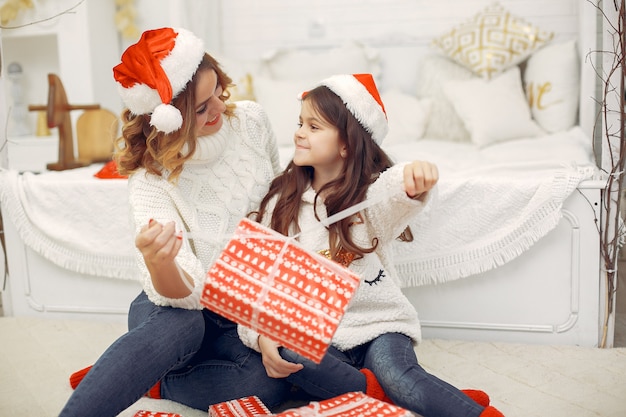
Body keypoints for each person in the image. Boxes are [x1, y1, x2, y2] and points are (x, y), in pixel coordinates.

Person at [238, 73, 506, 417]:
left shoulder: (370, 200)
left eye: (314, 127)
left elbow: (395, 192)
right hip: (322, 336)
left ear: (347, 143)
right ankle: (403, 393)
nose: (299, 133)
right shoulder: (280, 203)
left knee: (398, 375)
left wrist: (413, 175)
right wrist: (261, 335)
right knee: (289, 353)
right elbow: (253, 285)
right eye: (300, 123)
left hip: (378, 326)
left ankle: (418, 395)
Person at [59, 27, 293, 416]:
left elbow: (281, 209)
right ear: (168, 117)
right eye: (201, 108)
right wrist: (161, 262)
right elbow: (186, 294)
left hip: (239, 312)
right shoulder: (151, 181)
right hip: (173, 304)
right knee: (185, 325)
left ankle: (150, 376)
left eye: (217, 90)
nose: (219, 107)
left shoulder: (252, 121)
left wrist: (267, 318)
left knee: (264, 384)